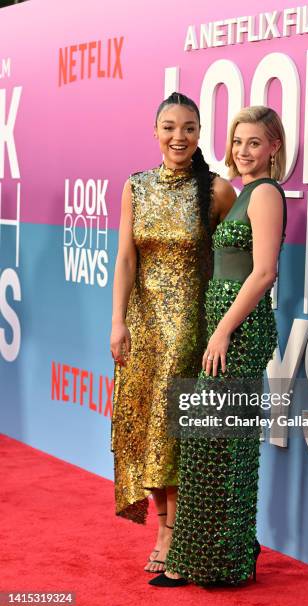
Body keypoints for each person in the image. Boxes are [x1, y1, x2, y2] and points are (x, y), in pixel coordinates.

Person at [149, 105, 287, 587]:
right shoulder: (246, 193)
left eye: (254, 142)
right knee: (210, 446)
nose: (244, 151)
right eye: (238, 142)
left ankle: (222, 562)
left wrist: (224, 328)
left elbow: (264, 271)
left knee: (224, 449)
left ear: (273, 146)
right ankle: (207, 557)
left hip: (240, 331)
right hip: (224, 327)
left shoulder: (266, 194)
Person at [110, 92, 236, 574]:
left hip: (190, 330)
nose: (178, 136)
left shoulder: (218, 190)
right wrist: (118, 320)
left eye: (188, 127)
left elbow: (237, 261)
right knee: (144, 425)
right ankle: (164, 523)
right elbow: (125, 258)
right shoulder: (136, 186)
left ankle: (173, 534)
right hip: (142, 327)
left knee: (174, 430)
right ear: (155, 131)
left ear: (200, 134)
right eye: (169, 126)